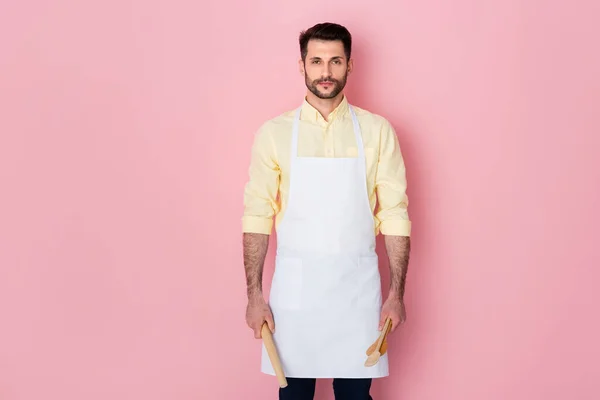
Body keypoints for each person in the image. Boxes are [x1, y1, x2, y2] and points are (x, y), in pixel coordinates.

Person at [242, 22, 411, 400]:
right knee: (294, 397)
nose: (325, 71)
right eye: (316, 61)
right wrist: (254, 297)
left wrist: (396, 293)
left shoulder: (378, 131)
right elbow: (257, 216)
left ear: (349, 66)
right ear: (301, 65)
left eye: (335, 61)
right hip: (295, 297)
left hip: (357, 293)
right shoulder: (274, 133)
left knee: (355, 397)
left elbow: (396, 215)